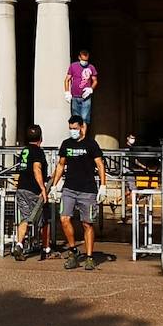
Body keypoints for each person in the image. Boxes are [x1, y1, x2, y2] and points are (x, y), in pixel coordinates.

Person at [51, 115, 107, 271]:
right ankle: (73, 251)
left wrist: (103, 186)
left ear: (82, 127)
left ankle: (89, 257)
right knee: (64, 218)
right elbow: (61, 165)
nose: (72, 131)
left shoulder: (91, 144)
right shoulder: (66, 144)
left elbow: (100, 165)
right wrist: (55, 186)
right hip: (69, 188)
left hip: (88, 190)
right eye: (70, 129)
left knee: (87, 223)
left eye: (75, 128)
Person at [12, 124, 48, 262]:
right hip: (34, 189)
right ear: (41, 138)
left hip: (21, 188)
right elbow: (37, 169)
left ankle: (19, 244)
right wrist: (43, 188)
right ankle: (45, 248)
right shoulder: (38, 151)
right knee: (43, 219)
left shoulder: (24, 151)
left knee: (25, 218)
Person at [64, 49, 98, 123]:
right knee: (76, 119)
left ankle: (83, 135)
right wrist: (67, 93)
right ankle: (77, 134)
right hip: (75, 96)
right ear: (79, 57)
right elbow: (67, 80)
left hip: (86, 97)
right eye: (83, 59)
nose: (85, 62)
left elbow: (95, 81)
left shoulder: (91, 67)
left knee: (84, 118)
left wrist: (90, 89)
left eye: (86, 60)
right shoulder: (73, 66)